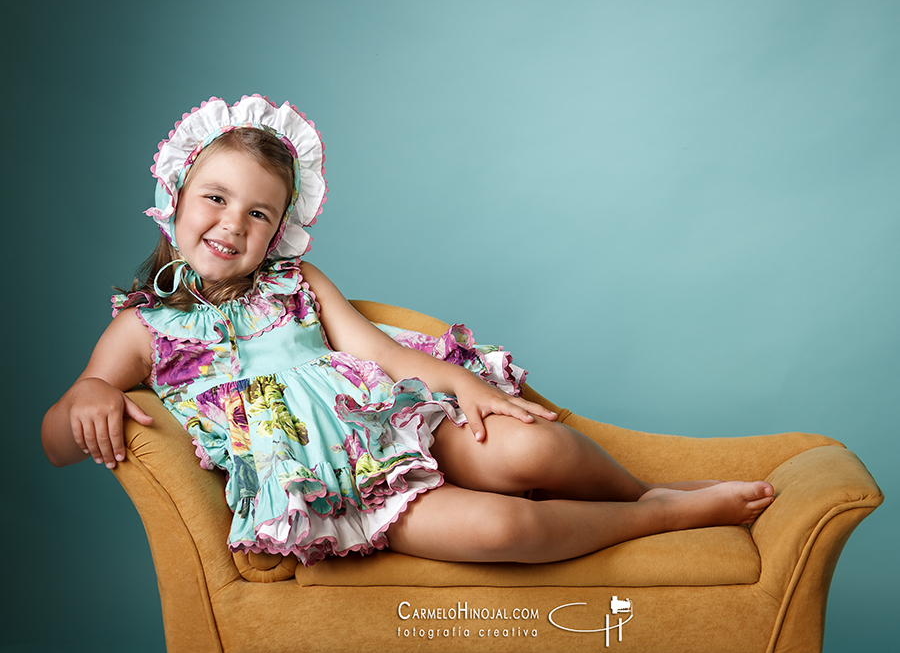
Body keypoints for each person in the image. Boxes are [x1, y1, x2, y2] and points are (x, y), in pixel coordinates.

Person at [41, 95, 775, 566]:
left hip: (400, 425)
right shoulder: (148, 326)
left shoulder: (298, 285)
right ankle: (655, 520)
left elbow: (380, 352)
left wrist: (469, 389)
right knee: (501, 534)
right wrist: (88, 398)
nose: (233, 222)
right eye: (215, 197)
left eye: (259, 213)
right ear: (173, 197)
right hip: (343, 495)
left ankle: (643, 491)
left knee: (535, 444)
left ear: (279, 233)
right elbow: (58, 436)